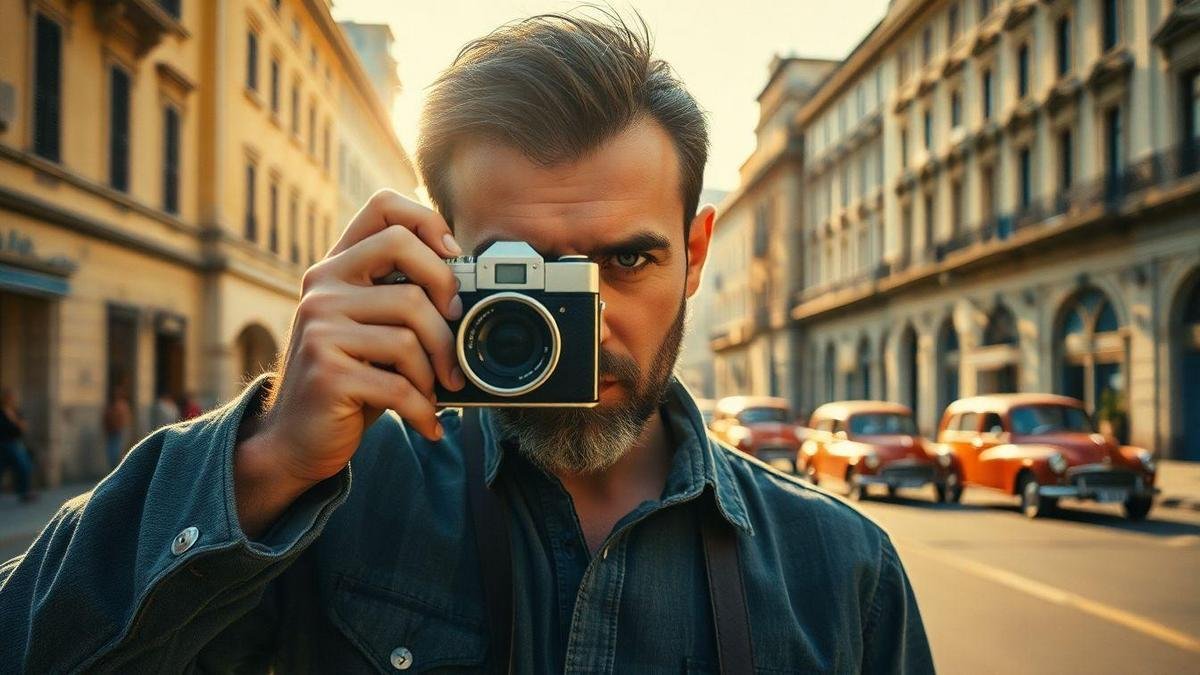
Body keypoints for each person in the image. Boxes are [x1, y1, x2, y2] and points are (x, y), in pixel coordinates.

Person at [0, 10, 932, 673]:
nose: (588, 318)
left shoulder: (842, 572)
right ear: (439, 260)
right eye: (525, 274)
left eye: (629, 259)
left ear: (694, 254)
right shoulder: (333, 507)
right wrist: (265, 461)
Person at [0, 387, 36, 503]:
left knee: (24, 466)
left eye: (12, 397)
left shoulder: (16, 411)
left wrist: (13, 418)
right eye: (8, 397)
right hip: (2, 444)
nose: (10, 399)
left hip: (14, 443)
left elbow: (24, 427)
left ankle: (24, 492)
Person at [103, 384, 132, 468]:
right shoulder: (120, 405)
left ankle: (115, 466)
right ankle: (115, 466)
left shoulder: (118, 405)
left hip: (116, 430)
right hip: (116, 430)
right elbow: (127, 418)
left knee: (114, 449)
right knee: (115, 449)